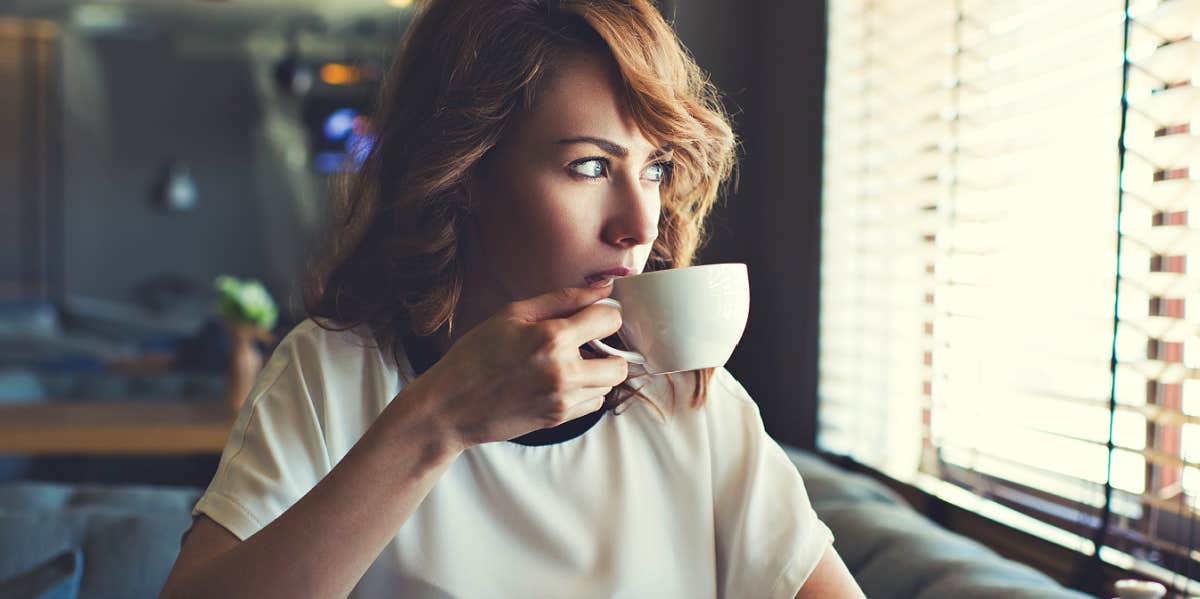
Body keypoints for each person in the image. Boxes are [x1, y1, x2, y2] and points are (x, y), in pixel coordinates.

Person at [161, 1, 865, 597]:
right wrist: (437, 420)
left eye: (653, 168)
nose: (640, 224)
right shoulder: (332, 373)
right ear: (464, 169)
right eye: (590, 166)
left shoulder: (689, 400)